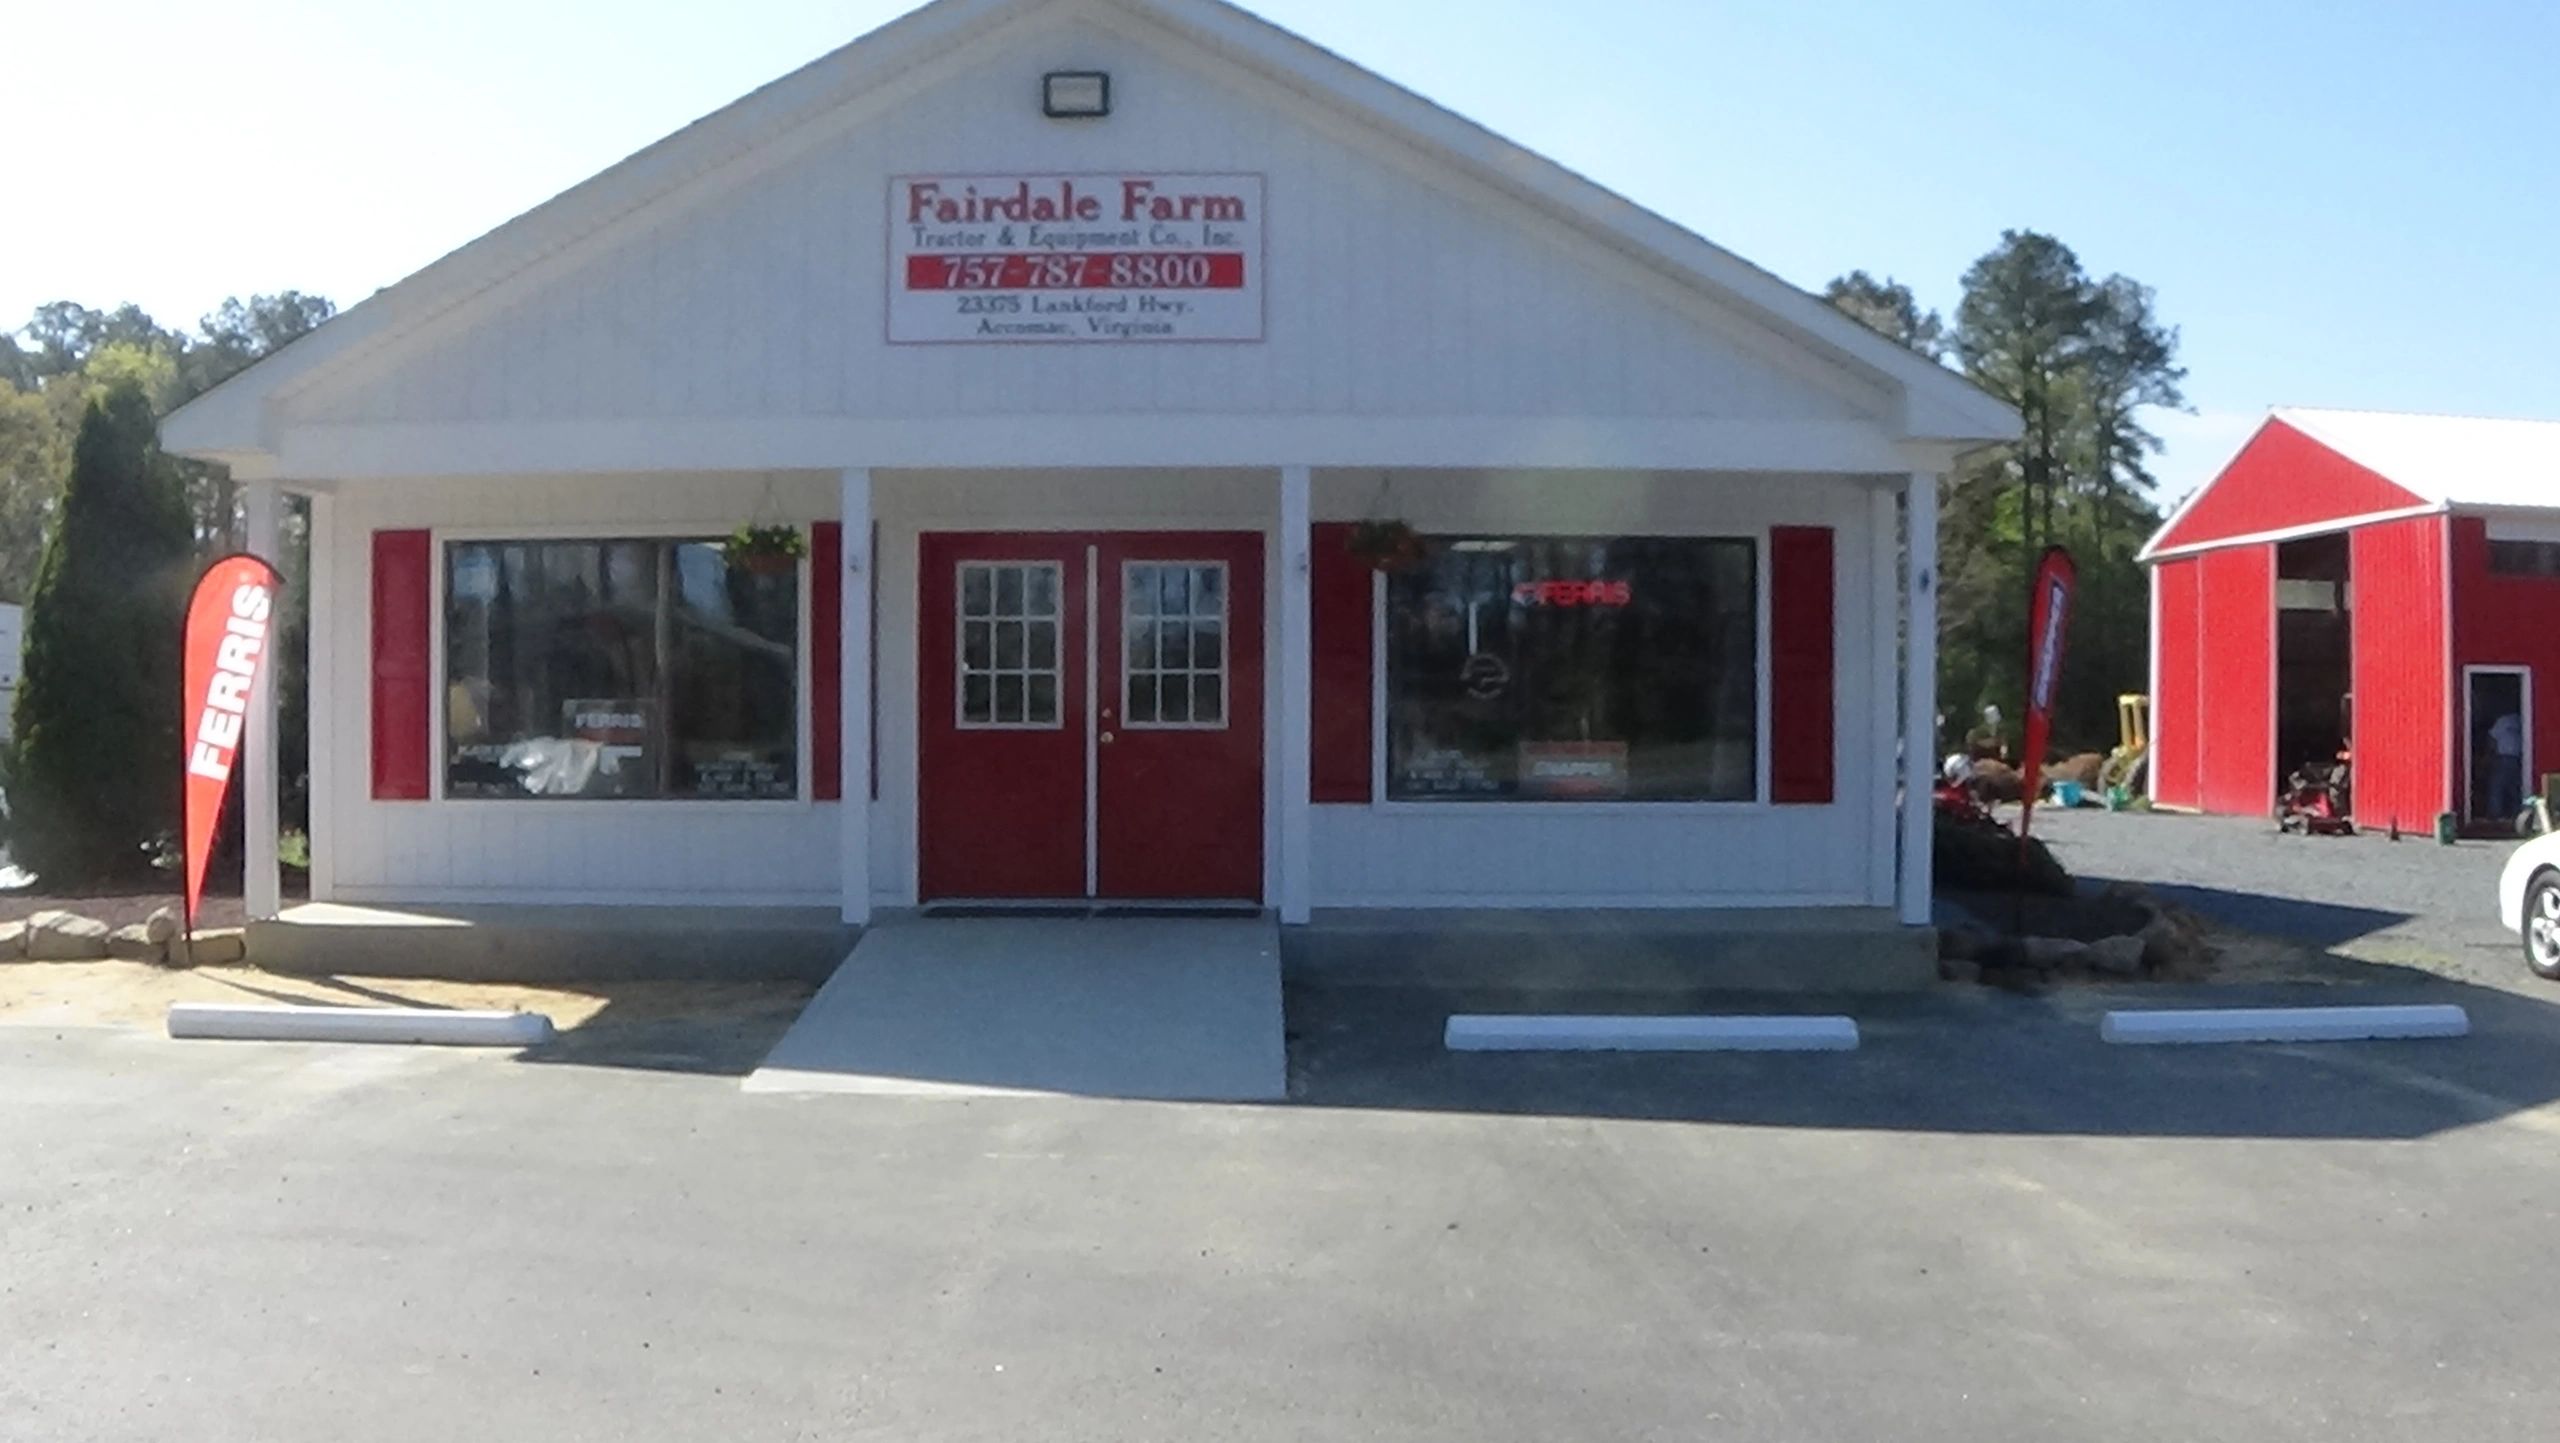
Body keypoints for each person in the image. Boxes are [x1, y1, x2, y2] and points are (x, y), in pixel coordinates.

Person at [2487, 708, 2525, 821]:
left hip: (2504, 757)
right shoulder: (2522, 720)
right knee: (2514, 788)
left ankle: (2496, 815)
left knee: (2498, 787)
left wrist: (2490, 755)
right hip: (2518, 758)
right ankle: (2516, 815)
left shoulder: (2503, 720)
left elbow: (2492, 738)